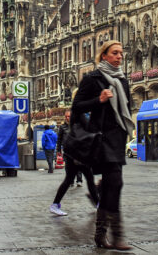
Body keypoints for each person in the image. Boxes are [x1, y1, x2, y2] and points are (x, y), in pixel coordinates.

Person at [72, 40, 134, 251]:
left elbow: (127, 108)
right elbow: (77, 106)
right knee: (115, 182)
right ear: (104, 55)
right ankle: (117, 236)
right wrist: (98, 100)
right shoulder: (93, 78)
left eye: (121, 53)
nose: (119, 57)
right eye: (115, 53)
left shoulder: (122, 80)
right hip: (102, 138)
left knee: (110, 185)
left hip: (118, 138)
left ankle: (101, 234)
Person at [49, 111, 99, 216]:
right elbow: (71, 140)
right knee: (85, 179)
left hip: (75, 155)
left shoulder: (77, 121)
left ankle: (55, 204)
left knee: (76, 179)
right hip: (75, 155)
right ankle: (98, 204)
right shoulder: (79, 121)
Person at [57, 112, 83, 187]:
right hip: (67, 150)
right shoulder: (62, 127)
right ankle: (70, 180)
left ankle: (79, 180)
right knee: (68, 167)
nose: (67, 118)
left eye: (69, 116)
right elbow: (59, 139)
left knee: (78, 165)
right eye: (66, 116)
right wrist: (58, 150)